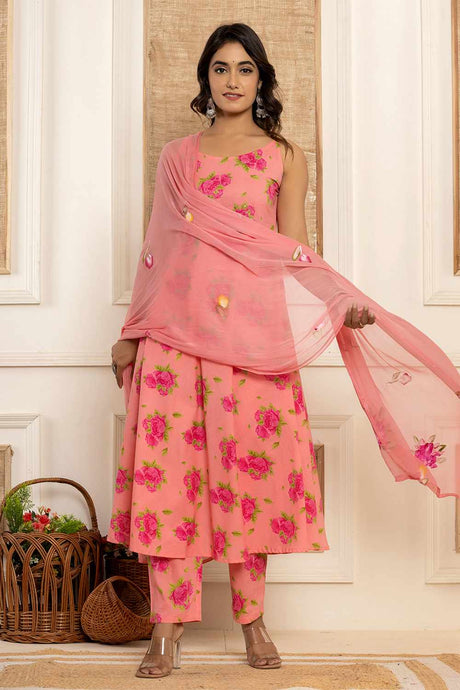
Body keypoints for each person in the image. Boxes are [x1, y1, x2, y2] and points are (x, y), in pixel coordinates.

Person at [109, 22, 375, 680]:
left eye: (245, 69)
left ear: (261, 80)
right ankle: (166, 629)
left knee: (250, 482)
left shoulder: (284, 155)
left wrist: (340, 298)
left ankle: (253, 621)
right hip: (175, 339)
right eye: (221, 68)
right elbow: (157, 250)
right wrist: (132, 331)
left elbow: (295, 247)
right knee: (171, 484)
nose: (232, 80)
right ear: (206, 78)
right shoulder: (178, 156)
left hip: (252, 343)